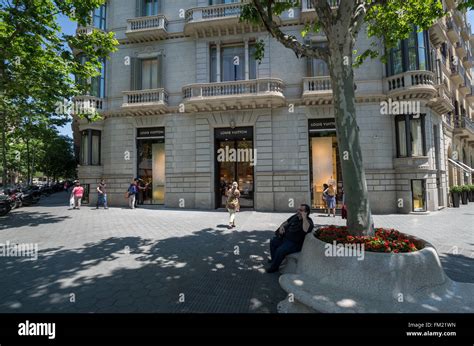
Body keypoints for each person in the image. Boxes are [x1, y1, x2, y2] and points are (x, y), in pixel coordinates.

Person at [266, 204, 314, 273]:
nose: (298, 211)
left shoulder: (308, 222)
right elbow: (286, 222)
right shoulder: (295, 216)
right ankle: (274, 260)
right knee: (273, 241)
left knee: (280, 250)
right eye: (298, 209)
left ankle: (274, 267)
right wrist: (281, 227)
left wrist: (304, 218)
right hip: (285, 238)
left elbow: (306, 229)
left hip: (294, 243)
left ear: (306, 212)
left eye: (301, 210)